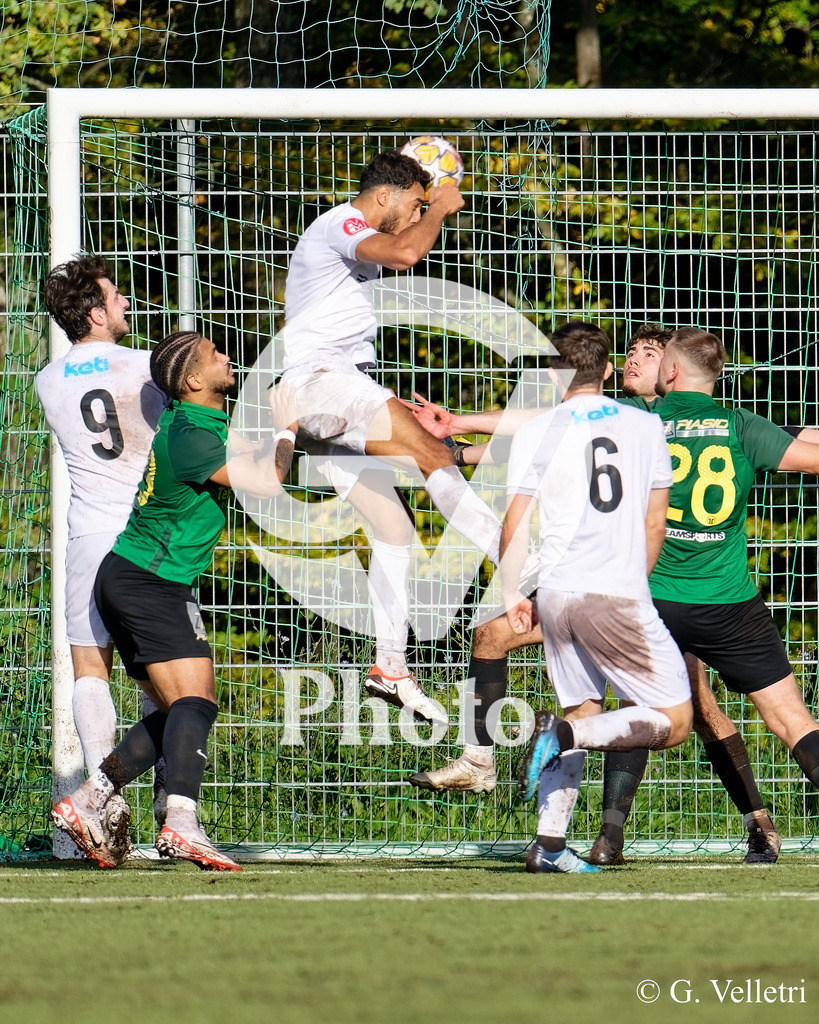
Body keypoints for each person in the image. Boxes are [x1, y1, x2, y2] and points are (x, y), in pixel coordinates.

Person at [407, 323, 807, 865]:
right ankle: (604, 833)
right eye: (632, 352)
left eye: (651, 351)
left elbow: (543, 427)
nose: (638, 359)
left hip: (639, 591)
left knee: (663, 708)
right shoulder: (725, 424)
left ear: (669, 369)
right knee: (738, 716)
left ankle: (588, 827)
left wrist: (460, 440)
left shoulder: (643, 421)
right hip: (705, 597)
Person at [274, 150, 532, 725]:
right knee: (431, 452)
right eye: (413, 203)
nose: (418, 213)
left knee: (393, 527)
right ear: (385, 195)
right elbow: (408, 251)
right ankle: (519, 568)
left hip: (331, 391)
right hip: (323, 385)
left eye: (424, 205)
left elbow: (401, 247)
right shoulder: (343, 221)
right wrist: (439, 205)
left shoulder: (353, 241)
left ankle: (390, 666)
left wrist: (431, 199)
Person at [51, 330, 296, 870]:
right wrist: (288, 426)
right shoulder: (188, 431)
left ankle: (92, 798)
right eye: (216, 354)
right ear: (191, 381)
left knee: (178, 708)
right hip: (149, 580)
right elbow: (266, 482)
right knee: (196, 703)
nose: (228, 356)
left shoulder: (200, 422)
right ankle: (180, 823)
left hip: (142, 578)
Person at [499, 321, 693, 873]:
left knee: (584, 706)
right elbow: (655, 523)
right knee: (673, 722)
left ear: (553, 374)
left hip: (557, 593)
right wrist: (634, 583)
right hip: (616, 592)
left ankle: (549, 846)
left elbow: (514, 525)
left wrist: (514, 592)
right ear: (608, 370)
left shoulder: (536, 429)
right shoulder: (644, 425)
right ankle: (559, 735)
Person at [37, 256, 168, 853]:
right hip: (145, 533)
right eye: (116, 298)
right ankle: (163, 790)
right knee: (166, 675)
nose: (126, 304)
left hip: (87, 534)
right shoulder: (146, 367)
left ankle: (100, 794)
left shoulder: (47, 379)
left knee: (92, 669)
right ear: (94, 312)